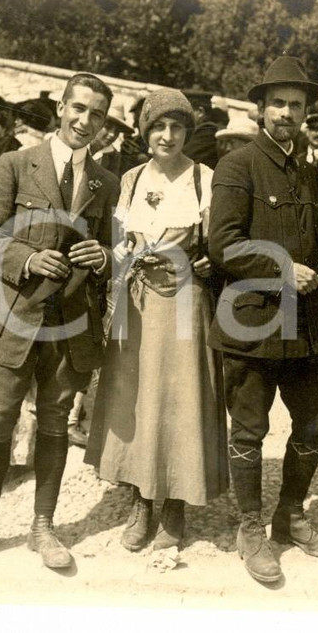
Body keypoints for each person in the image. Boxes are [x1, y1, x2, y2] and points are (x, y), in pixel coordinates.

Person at [0, 73, 119, 571]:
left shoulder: (106, 182)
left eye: (96, 114)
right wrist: (27, 259)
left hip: (71, 327)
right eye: (78, 108)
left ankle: (43, 527)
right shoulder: (15, 163)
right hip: (13, 318)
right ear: (62, 108)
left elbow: (116, 250)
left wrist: (105, 256)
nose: (85, 121)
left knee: (54, 423)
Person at [209, 56, 318, 583]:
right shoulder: (237, 165)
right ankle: (250, 528)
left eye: (297, 105)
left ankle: (290, 513)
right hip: (253, 321)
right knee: (249, 429)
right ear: (259, 110)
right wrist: (284, 268)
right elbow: (223, 245)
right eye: (279, 104)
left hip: (305, 325)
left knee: (315, 422)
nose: (288, 113)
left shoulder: (308, 169)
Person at [85, 89, 227, 552]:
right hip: (139, 298)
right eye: (158, 127)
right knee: (139, 395)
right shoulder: (129, 179)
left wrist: (210, 262)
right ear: (146, 133)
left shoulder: (205, 179)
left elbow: (221, 243)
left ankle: (175, 504)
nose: (168, 136)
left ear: (188, 132)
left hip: (186, 298)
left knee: (180, 396)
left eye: (177, 127)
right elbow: (119, 241)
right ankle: (141, 499)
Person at [182, 89, 223, 168]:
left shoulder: (207, 131)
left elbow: (183, 157)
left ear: (200, 112)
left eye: (184, 112)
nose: (180, 116)